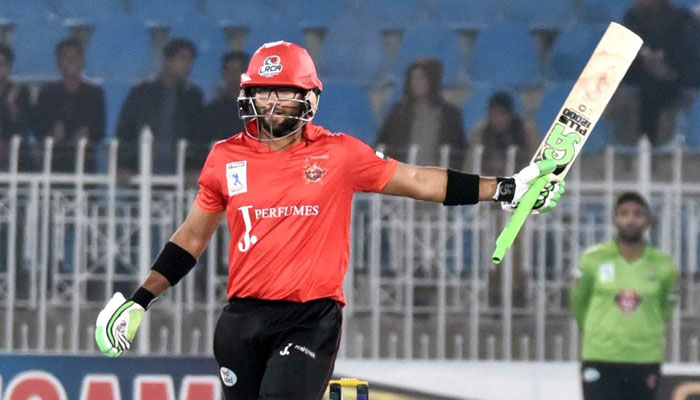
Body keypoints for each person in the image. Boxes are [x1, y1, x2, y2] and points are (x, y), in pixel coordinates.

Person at [95, 41, 564, 399]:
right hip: (240, 320)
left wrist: (505, 188)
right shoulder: (225, 157)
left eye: (283, 92)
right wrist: (140, 300)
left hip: (309, 318)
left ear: (308, 98)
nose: (272, 102)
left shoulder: (339, 154)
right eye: (263, 92)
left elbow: (419, 180)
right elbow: (192, 238)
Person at [570, 192, 678, 400]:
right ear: (614, 219)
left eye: (637, 214)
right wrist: (598, 330)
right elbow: (578, 302)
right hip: (600, 355)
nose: (630, 220)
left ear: (647, 220)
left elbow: (667, 306)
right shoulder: (593, 259)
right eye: (624, 213)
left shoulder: (663, 264)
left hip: (644, 357)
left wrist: (644, 329)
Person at [115, 38, 203, 175]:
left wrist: (193, 167)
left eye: (190, 61)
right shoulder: (142, 93)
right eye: (183, 59)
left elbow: (196, 134)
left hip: (179, 170)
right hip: (142, 166)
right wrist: (124, 164)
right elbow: (126, 129)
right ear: (167, 61)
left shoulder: (192, 97)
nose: (187, 65)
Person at [620, 0, 700, 146]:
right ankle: (637, 146)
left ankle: (653, 144)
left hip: (677, 78)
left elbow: (688, 55)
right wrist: (647, 58)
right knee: (641, 93)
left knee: (655, 93)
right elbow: (629, 46)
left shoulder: (682, 18)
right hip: (642, 77)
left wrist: (666, 65)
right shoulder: (633, 17)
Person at [375, 58, 466, 168]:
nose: (416, 83)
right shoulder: (398, 112)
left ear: (432, 80)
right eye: (413, 78)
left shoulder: (450, 115)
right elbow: (382, 145)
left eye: (421, 78)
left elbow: (458, 153)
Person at [34, 38, 105, 172]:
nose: (71, 61)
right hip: (53, 162)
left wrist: (88, 135)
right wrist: (52, 135)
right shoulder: (47, 93)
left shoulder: (95, 93)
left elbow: (100, 130)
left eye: (75, 57)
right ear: (58, 63)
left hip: (85, 163)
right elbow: (38, 129)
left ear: (82, 61)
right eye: (66, 57)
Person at [469, 91, 540, 176]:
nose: (498, 119)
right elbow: (470, 163)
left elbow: (537, 160)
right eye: (494, 114)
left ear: (511, 114)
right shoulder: (481, 131)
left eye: (502, 113)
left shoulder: (527, 131)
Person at [0, 43, 32, 170]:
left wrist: (12, 107)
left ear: (9, 67)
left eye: (1, 64)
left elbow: (27, 128)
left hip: (15, 156)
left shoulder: (20, 92)